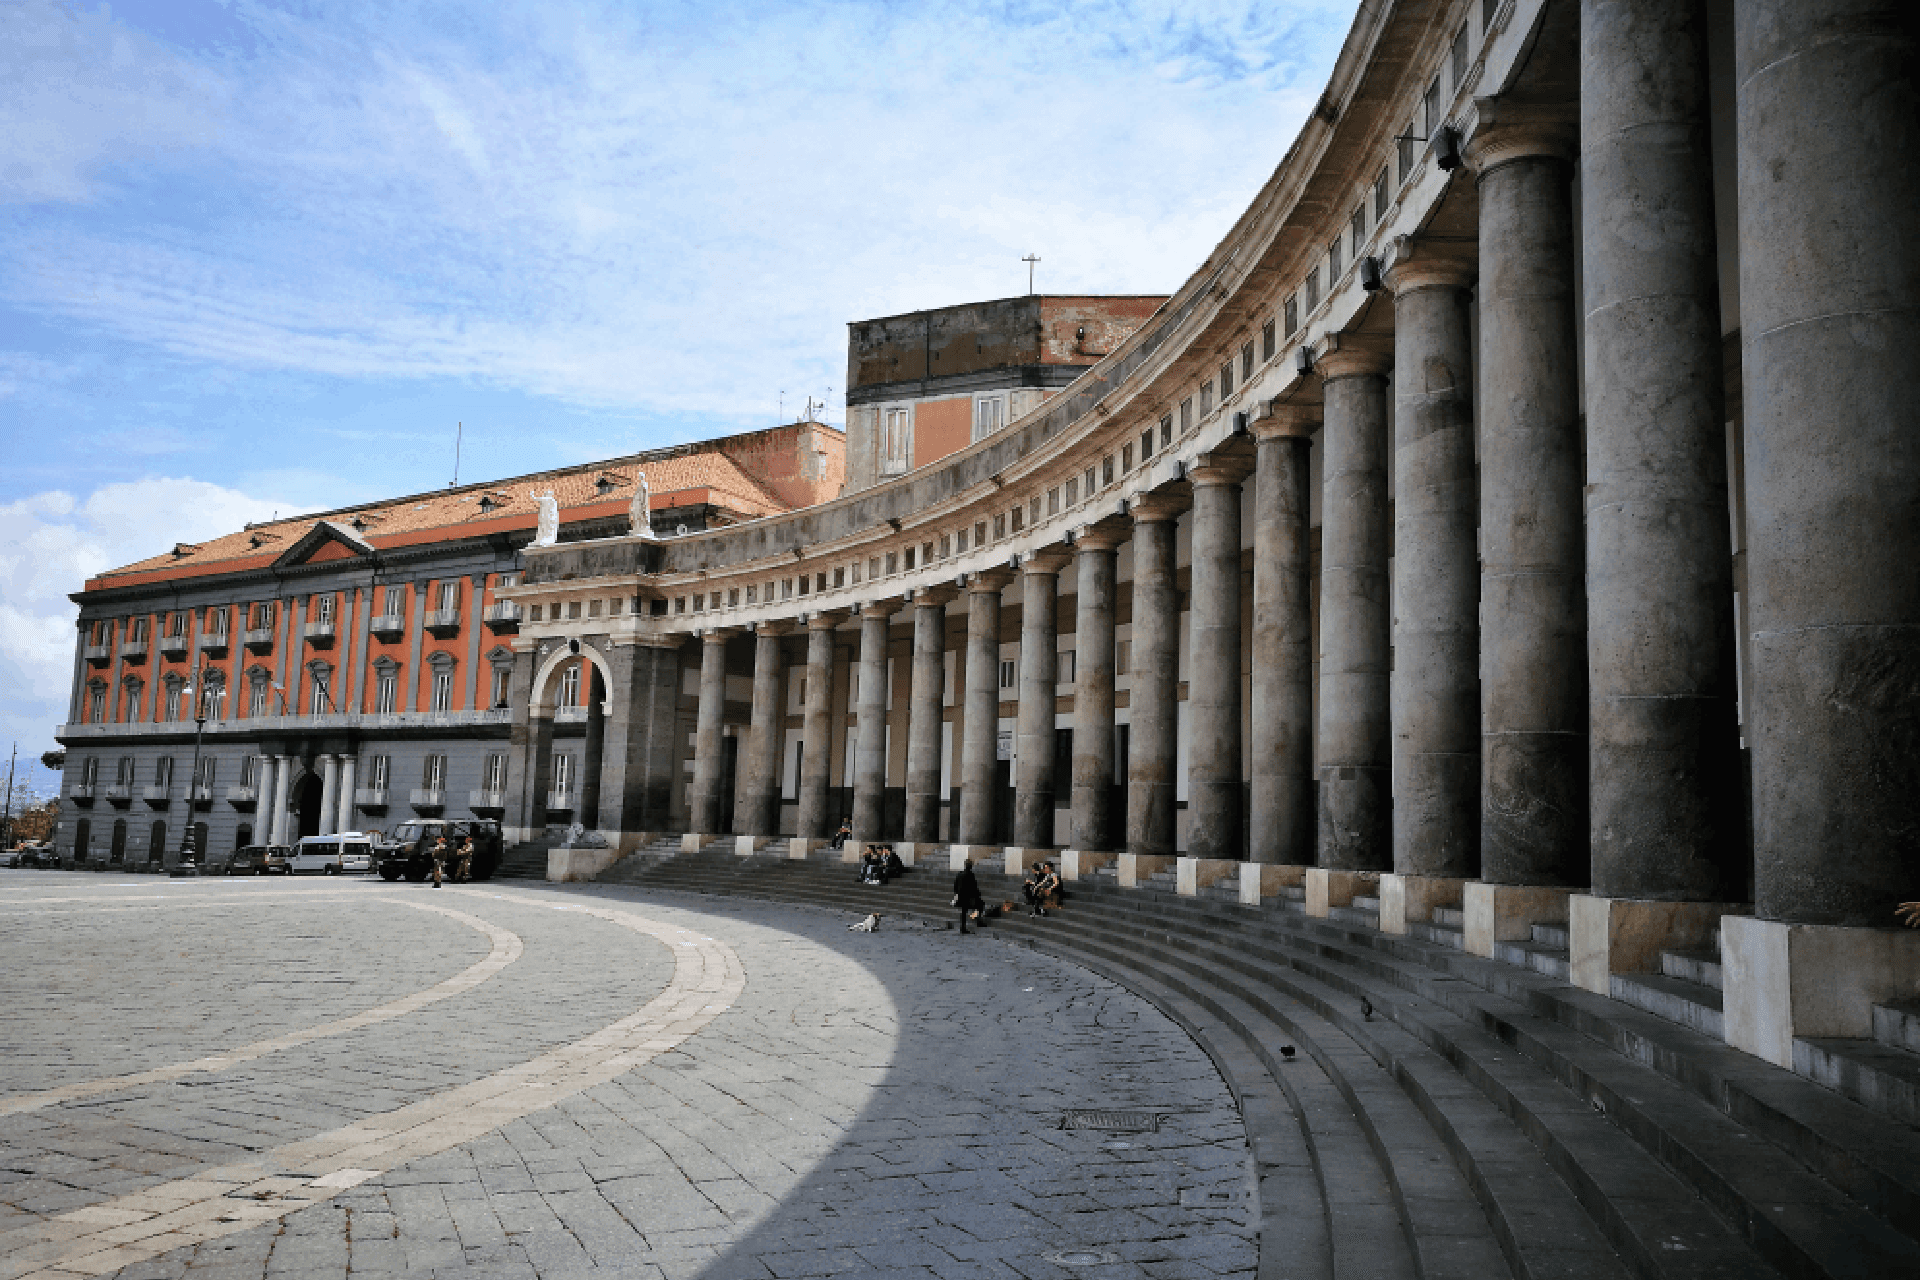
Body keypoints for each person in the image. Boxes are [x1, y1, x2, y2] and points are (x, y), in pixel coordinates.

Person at [954, 858, 984, 934]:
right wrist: (977, 895)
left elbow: (955, 886)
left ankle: (963, 927)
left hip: (961, 897)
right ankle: (976, 919)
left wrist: (958, 894)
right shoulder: (970, 875)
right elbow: (974, 887)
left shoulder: (960, 874)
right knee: (980, 905)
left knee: (963, 912)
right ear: (971, 866)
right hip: (968, 898)